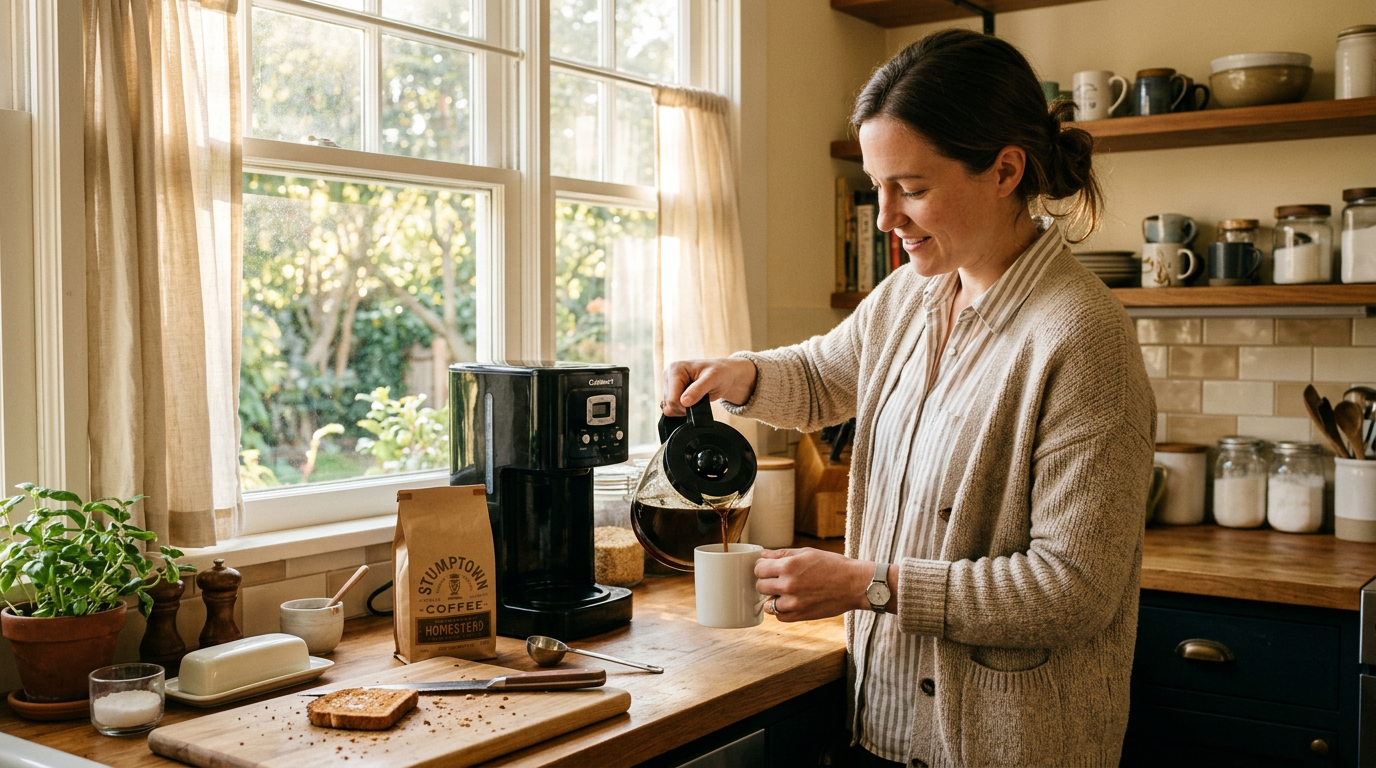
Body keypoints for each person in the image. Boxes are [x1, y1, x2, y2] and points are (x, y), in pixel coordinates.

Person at [660, 29, 1155, 768]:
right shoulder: (913, 294)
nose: (887, 217)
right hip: (881, 732)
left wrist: (870, 585)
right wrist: (740, 374)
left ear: (1005, 170)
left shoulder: (1082, 339)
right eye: (877, 185)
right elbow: (827, 376)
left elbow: (1070, 590)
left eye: (913, 189)